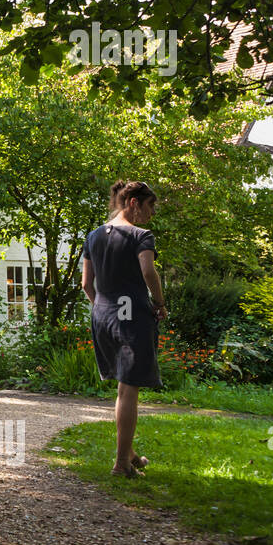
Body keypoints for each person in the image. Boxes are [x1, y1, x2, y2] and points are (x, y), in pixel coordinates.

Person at [80, 180, 167, 477]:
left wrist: (103, 306)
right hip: (131, 318)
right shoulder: (141, 235)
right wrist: (160, 302)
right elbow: (148, 271)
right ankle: (121, 464)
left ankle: (129, 454)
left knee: (123, 387)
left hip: (102, 316)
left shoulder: (92, 236)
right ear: (133, 203)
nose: (151, 213)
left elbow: (86, 285)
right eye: (149, 206)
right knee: (129, 389)